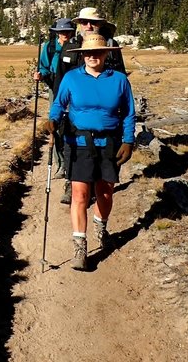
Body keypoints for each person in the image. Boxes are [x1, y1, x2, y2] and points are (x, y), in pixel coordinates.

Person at [44, 33, 135, 271]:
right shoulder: (72, 78)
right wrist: (53, 119)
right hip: (79, 142)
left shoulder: (119, 80)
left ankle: (101, 227)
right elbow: (58, 104)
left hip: (110, 143)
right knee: (80, 195)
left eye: (97, 52)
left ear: (106, 54)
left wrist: (128, 140)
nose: (92, 56)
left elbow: (128, 113)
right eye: (88, 53)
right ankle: (80, 247)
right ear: (82, 55)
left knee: (105, 193)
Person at [33, 18, 76, 177]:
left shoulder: (77, 46)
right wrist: (40, 75)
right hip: (55, 88)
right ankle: (61, 163)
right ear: (57, 32)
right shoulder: (49, 46)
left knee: (75, 124)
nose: (65, 34)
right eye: (61, 31)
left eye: (67, 31)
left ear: (72, 31)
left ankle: (74, 161)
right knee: (55, 123)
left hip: (76, 89)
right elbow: (43, 67)